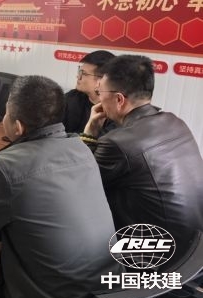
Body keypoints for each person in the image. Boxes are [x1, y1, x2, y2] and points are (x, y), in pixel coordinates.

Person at [0, 76, 121, 298]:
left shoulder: (7, 167)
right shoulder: (82, 148)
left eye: (6, 112)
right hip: (111, 296)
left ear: (18, 127)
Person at [82, 54, 203, 251]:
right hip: (193, 244)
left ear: (119, 99)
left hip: (156, 253)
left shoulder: (117, 143)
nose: (98, 99)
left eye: (99, 92)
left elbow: (79, 184)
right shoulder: (175, 122)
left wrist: (89, 132)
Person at [63, 50, 115, 134]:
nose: (78, 76)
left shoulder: (117, 110)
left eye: (83, 73)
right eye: (79, 71)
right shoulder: (72, 97)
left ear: (101, 80)